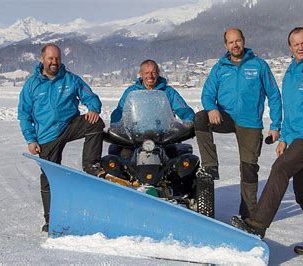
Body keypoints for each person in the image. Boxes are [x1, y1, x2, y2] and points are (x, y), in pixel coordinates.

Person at [234, 27, 303, 256]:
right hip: (296, 138)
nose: (301, 47)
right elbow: (292, 112)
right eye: (296, 44)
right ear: (290, 48)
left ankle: (257, 224)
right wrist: (284, 138)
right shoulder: (292, 72)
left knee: (280, 169)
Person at [195, 28, 282, 221]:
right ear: (226, 45)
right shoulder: (220, 67)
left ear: (243, 41)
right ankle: (210, 165)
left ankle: (249, 213)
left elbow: (274, 95)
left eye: (238, 41)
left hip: (249, 122)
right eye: (231, 42)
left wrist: (275, 125)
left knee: (249, 167)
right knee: (201, 118)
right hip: (224, 117)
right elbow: (207, 93)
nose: (235, 45)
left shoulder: (259, 65)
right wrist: (211, 108)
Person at [18, 43, 105, 232]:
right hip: (46, 135)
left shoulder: (71, 79)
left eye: (57, 58)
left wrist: (93, 109)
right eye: (50, 58)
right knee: (49, 176)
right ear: (42, 59)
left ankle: (91, 164)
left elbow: (92, 97)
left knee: (96, 123)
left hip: (70, 125)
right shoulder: (32, 84)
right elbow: (24, 114)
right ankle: (50, 219)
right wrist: (31, 140)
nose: (54, 62)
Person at [111, 59, 195, 125]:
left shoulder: (168, 91)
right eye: (146, 73)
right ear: (141, 74)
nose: (150, 76)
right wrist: (115, 124)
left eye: (153, 72)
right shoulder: (131, 92)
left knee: (181, 147)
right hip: (136, 133)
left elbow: (182, 108)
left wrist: (188, 119)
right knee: (116, 146)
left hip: (164, 134)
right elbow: (120, 110)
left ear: (158, 73)